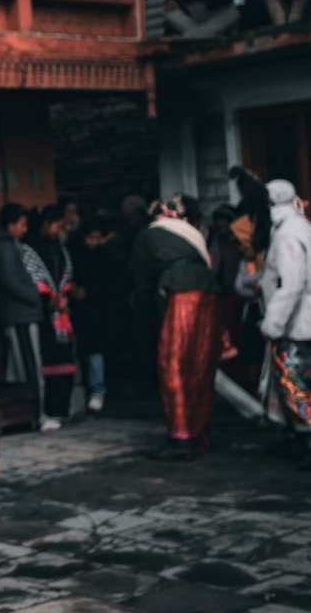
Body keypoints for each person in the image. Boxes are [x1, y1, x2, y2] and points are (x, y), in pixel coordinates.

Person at [132, 195, 224, 460]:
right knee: (201, 364)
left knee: (174, 364)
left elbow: (141, 281)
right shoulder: (192, 236)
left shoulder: (149, 235)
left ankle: (181, 434)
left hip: (180, 298)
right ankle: (199, 430)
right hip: (209, 294)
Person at [262, 181, 311, 470]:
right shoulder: (306, 229)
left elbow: (291, 283)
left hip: (295, 322)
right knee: (307, 379)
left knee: (291, 382)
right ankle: (299, 435)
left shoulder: (287, 236)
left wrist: (274, 323)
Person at [0, 203, 45, 426]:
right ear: (10, 226)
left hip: (16, 314)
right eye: (22, 224)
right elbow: (11, 281)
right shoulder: (5, 248)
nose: (25, 229)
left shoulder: (5, 246)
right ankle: (37, 415)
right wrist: (35, 296)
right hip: (20, 315)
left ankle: (32, 416)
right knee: (29, 369)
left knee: (19, 368)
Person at [23, 205, 77, 428]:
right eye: (56, 225)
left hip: (61, 314)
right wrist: (49, 299)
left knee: (66, 359)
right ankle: (51, 410)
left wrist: (64, 297)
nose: (58, 230)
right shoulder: (30, 249)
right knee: (47, 362)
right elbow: (32, 278)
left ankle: (62, 409)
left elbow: (67, 275)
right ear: (46, 224)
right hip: (43, 315)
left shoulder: (59, 248)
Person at [70, 217, 112, 413]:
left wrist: (89, 291)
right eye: (91, 238)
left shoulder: (103, 255)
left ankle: (97, 391)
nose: (94, 242)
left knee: (95, 350)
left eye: (97, 238)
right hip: (77, 309)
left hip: (96, 308)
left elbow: (110, 281)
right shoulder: (74, 253)